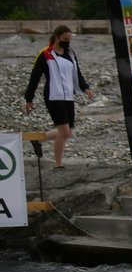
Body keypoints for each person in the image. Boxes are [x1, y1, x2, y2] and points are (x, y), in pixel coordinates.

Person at [22, 24, 92, 169]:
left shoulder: (71, 54)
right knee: (64, 132)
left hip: (68, 96)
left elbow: (76, 73)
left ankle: (38, 140)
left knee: (68, 133)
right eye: (65, 39)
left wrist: (85, 87)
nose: (67, 41)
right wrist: (29, 99)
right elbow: (34, 77)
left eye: (69, 39)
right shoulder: (46, 54)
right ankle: (58, 165)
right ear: (57, 37)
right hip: (53, 96)